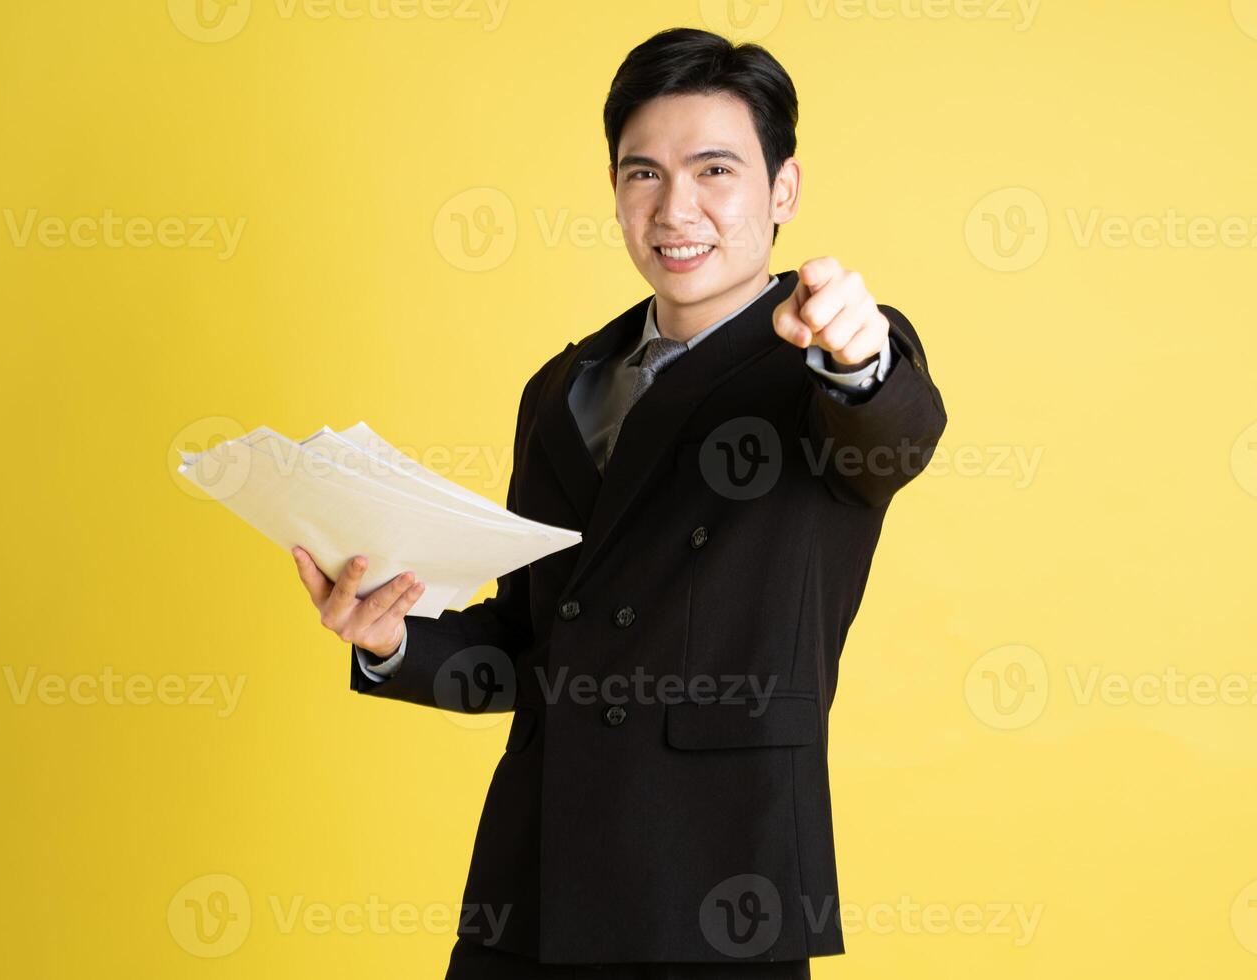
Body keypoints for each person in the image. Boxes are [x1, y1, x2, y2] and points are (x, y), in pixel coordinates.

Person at [291, 27, 947, 979]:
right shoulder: (563, 387)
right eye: (643, 174)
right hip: (534, 882)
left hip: (720, 888)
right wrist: (391, 640)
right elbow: (529, 645)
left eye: (715, 169)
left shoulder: (826, 360)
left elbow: (894, 435)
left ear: (784, 191)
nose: (676, 207)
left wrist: (858, 358)